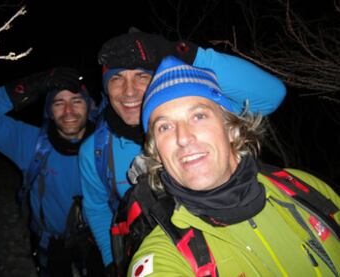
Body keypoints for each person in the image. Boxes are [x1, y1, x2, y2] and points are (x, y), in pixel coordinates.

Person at [78, 29, 287, 271]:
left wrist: (183, 54)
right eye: (117, 78)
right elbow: (97, 208)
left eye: (141, 76)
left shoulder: (203, 118)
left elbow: (272, 95)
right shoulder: (96, 151)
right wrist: (113, 263)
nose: (129, 91)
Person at [127, 55, 340, 276]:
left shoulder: (304, 187)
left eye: (198, 116)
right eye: (165, 127)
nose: (183, 137)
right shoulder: (165, 253)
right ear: (157, 153)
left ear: (231, 129)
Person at [0, 67, 103, 277]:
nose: (68, 111)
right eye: (59, 103)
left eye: (76, 101)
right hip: (52, 241)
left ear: (89, 107)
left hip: (99, 237)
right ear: (49, 111)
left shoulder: (107, 143)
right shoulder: (31, 143)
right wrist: (32, 84)